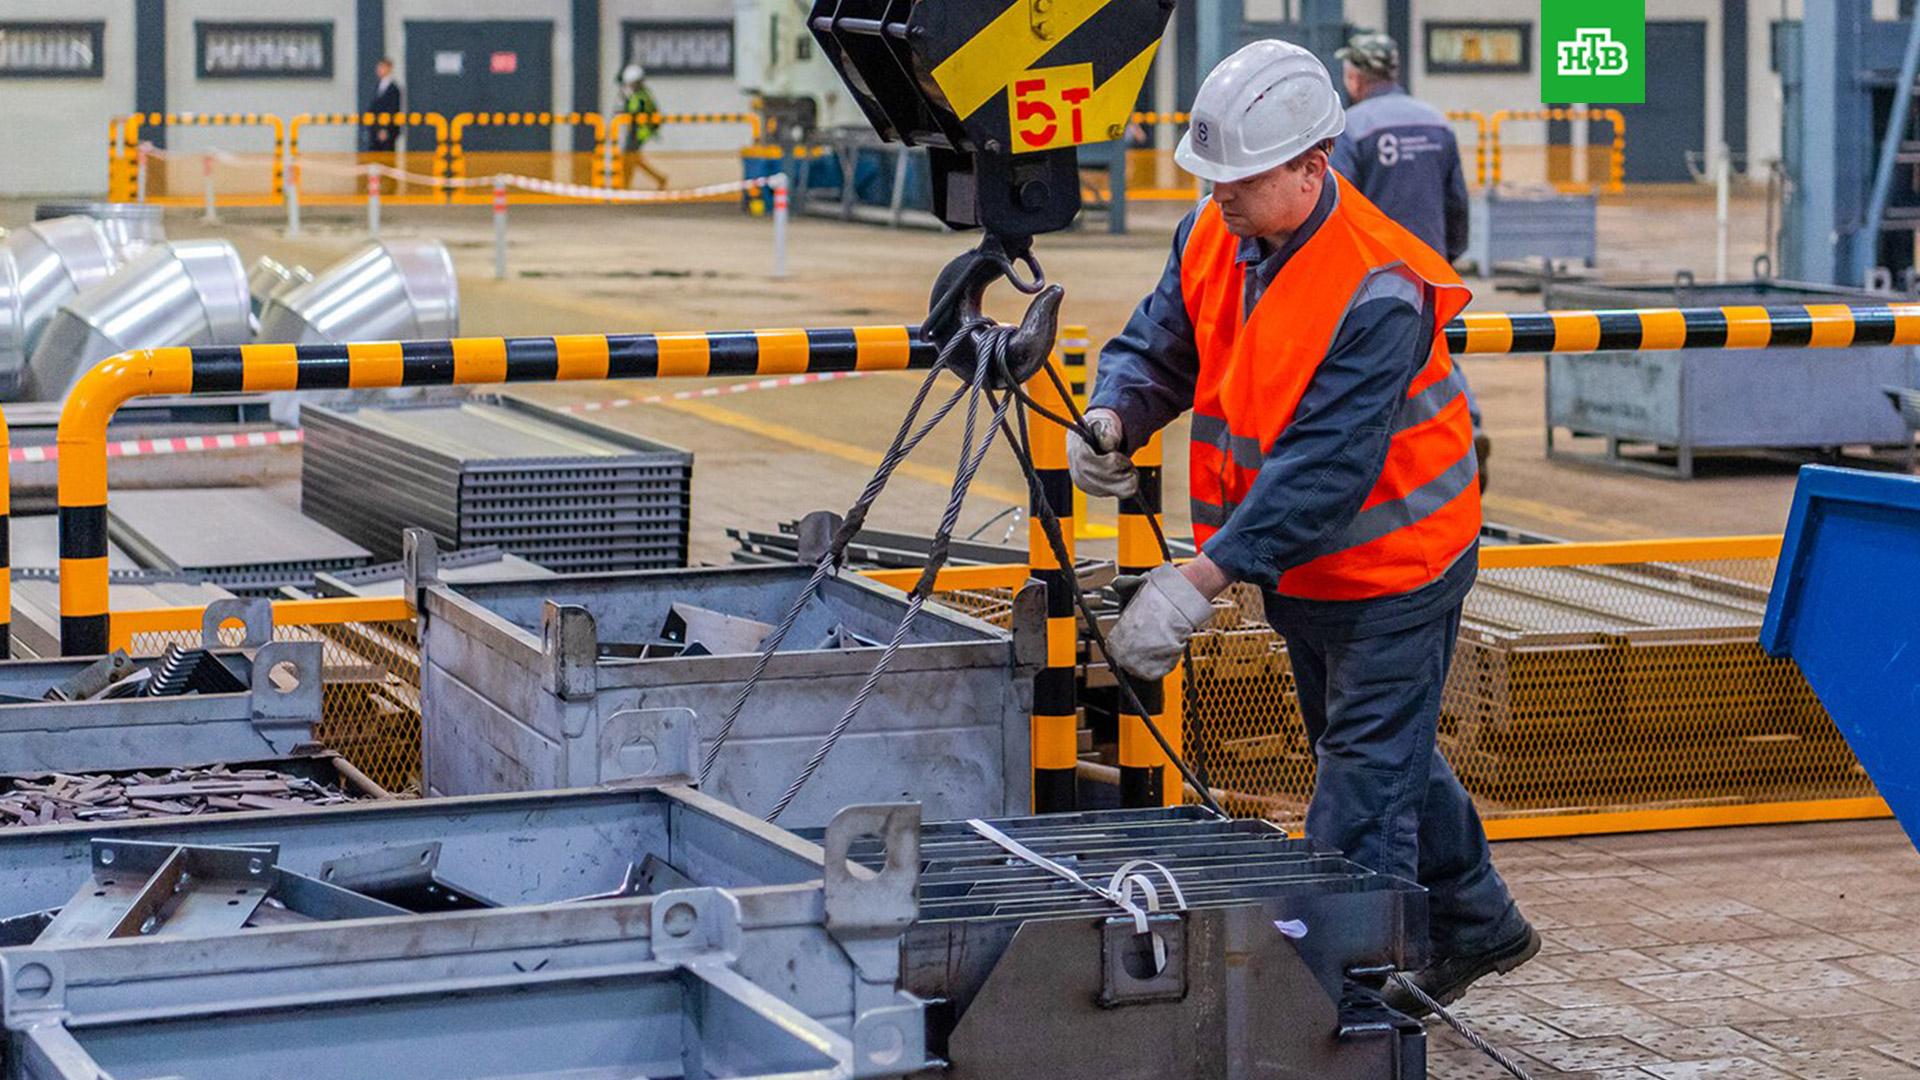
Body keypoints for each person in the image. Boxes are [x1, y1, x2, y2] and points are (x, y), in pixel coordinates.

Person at [1072, 39, 1537, 1017]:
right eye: (1215, 178)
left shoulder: (1379, 284)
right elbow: (1162, 341)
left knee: (1358, 798)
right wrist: (1117, 413)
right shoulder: (1217, 230)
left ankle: (1348, 1017)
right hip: (1304, 568)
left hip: (1396, 563)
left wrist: (1199, 580)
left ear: (1311, 166)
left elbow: (1325, 470)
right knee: (1373, 748)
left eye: (1240, 178)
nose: (1222, 196)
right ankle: (1479, 918)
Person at [1331, 30, 1491, 488]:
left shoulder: (1352, 128)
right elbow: (1456, 201)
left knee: (1378, 358)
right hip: (1430, 265)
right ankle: (1468, 426)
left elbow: (1337, 204)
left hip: (1375, 272)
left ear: (1356, 76)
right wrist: (1449, 256)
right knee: (1435, 350)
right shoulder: (1436, 123)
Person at [619, 64, 669, 190]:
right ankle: (659, 178)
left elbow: (634, 111)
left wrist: (625, 100)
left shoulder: (641, 96)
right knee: (632, 159)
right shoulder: (642, 94)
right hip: (639, 130)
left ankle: (625, 186)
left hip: (640, 131)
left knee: (629, 159)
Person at [363, 57, 403, 193]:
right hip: (374, 129)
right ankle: (375, 185)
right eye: (378, 67)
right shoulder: (377, 86)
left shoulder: (394, 89)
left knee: (387, 158)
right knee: (374, 157)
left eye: (382, 67)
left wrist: (385, 129)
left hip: (386, 130)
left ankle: (391, 186)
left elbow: (392, 110)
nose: (379, 70)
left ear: (389, 68)